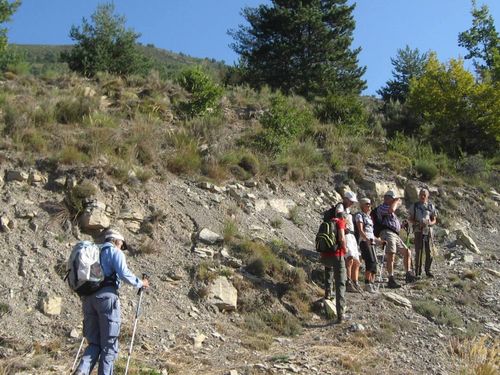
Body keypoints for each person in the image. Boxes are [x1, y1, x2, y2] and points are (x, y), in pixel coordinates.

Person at [74, 229, 149, 375]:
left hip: (88, 299)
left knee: (94, 343)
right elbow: (124, 273)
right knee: (109, 345)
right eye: (121, 244)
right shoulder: (115, 252)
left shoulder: (94, 252)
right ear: (116, 241)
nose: (121, 247)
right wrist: (141, 283)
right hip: (107, 299)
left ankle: (81, 371)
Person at [376, 191, 416, 288]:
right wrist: (396, 201)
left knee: (407, 251)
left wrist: (402, 225)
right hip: (387, 233)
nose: (395, 201)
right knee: (391, 254)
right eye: (392, 199)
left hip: (394, 234)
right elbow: (391, 210)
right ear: (387, 198)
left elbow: (393, 224)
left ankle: (408, 273)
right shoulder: (382, 207)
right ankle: (391, 278)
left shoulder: (391, 212)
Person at [320, 204, 347, 323]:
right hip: (337, 255)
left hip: (325, 255)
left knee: (328, 275)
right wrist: (344, 250)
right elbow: (341, 238)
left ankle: (327, 296)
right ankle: (340, 314)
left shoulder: (327, 222)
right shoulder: (340, 222)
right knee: (340, 283)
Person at [354, 198, 382, 293]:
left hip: (371, 241)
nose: (369, 206)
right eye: (367, 204)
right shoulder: (359, 215)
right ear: (362, 205)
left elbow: (372, 234)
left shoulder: (369, 218)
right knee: (370, 260)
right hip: (364, 241)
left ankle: (371, 282)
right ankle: (367, 283)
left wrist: (379, 241)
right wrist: (366, 239)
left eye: (370, 204)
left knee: (374, 262)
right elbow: (361, 230)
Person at [409, 188, 437, 278]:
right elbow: (410, 219)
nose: (423, 196)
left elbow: (434, 219)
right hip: (418, 230)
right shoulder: (414, 206)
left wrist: (429, 224)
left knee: (429, 251)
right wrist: (418, 223)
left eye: (424, 195)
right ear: (419, 195)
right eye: (421, 194)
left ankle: (428, 270)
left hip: (428, 231)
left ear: (427, 196)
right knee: (419, 250)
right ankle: (418, 272)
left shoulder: (430, 206)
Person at [337, 192, 361, 293]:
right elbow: (339, 216)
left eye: (352, 201)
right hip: (345, 234)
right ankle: (348, 282)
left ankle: (355, 282)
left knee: (357, 261)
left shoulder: (348, 210)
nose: (352, 203)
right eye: (350, 201)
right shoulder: (340, 206)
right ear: (345, 199)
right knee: (349, 258)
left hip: (352, 236)